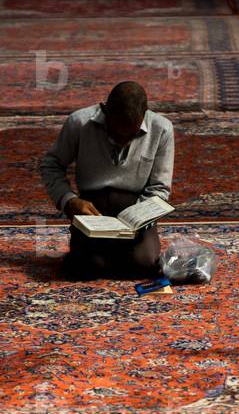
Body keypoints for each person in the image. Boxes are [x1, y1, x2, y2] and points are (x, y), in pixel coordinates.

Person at [39, 81, 174, 279]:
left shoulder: (161, 129)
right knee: (86, 268)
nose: (122, 141)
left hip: (136, 208)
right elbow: (51, 165)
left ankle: (118, 252)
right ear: (104, 110)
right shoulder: (79, 123)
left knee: (143, 265)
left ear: (145, 114)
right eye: (115, 132)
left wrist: (140, 217)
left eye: (131, 135)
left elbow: (160, 188)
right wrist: (69, 200)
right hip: (93, 210)